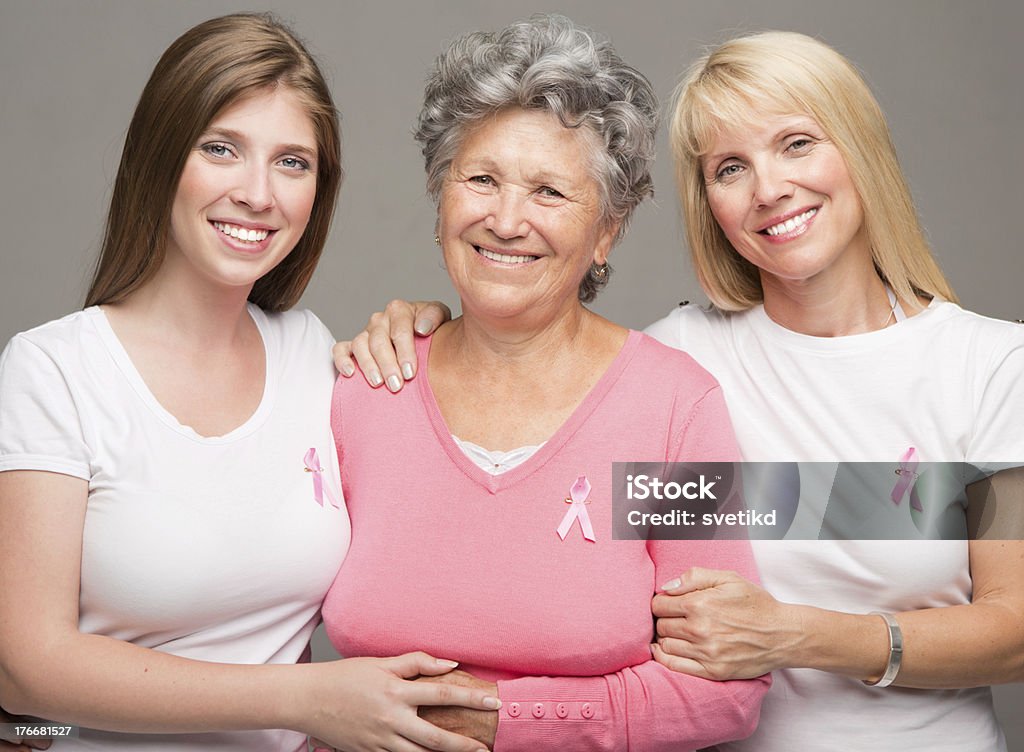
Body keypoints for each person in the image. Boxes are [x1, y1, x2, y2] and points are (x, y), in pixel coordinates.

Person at [336, 30, 1024, 751]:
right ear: (710, 202)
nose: (770, 188)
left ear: (861, 146)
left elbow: (1014, 633)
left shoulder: (991, 365)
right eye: (730, 167)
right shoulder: (683, 361)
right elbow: (532, 370)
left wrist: (796, 636)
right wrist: (417, 326)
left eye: (797, 144)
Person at [0, 13, 500, 752]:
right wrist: (305, 698)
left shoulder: (313, 355)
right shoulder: (53, 372)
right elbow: (26, 673)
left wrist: (440, 335)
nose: (258, 194)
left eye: (292, 163)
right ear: (161, 156)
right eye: (222, 149)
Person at [320, 15, 769, 752]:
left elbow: (726, 693)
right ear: (441, 201)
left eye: (549, 192)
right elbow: (256, 628)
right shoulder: (366, 390)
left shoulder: (671, 410)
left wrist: (500, 722)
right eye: (482, 179)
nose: (505, 219)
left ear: (606, 233)